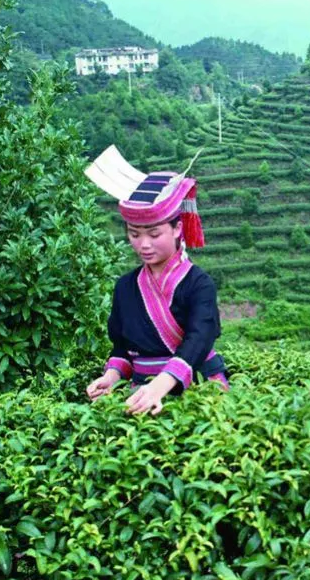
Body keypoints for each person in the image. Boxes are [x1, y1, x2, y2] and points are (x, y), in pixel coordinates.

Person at [84, 145, 228, 415]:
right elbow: (122, 349)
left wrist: (160, 386)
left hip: (198, 389)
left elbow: (200, 339)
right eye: (135, 234)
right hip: (143, 392)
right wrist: (111, 378)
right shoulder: (125, 287)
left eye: (154, 233)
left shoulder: (199, 284)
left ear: (177, 228)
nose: (144, 245)